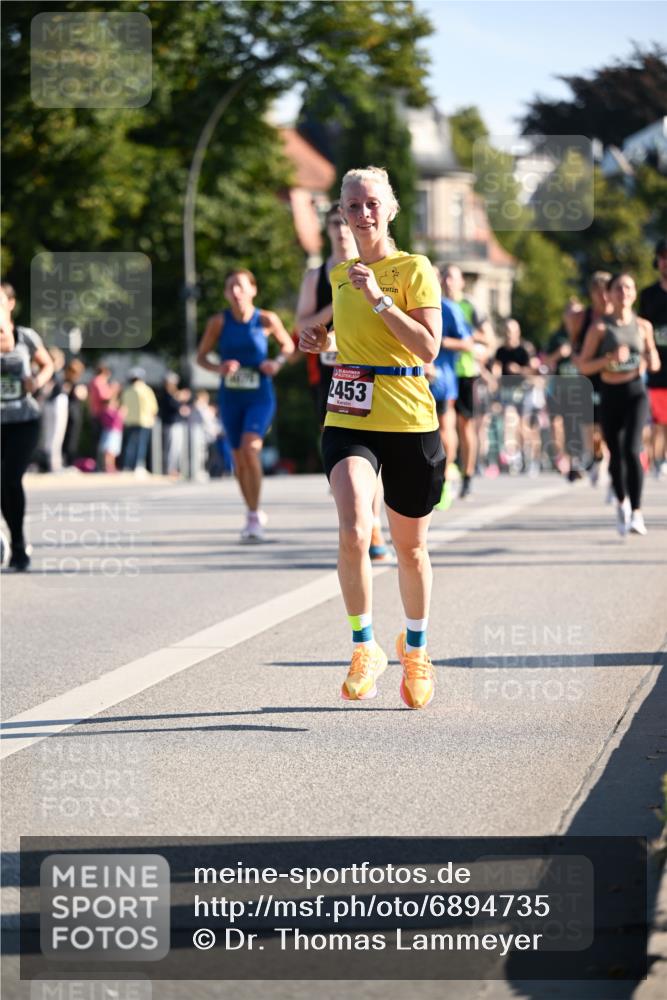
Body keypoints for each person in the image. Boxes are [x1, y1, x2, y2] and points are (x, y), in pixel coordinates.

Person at [299, 166, 444, 710]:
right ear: (341, 211)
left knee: (410, 548)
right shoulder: (341, 275)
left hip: (408, 416)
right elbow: (348, 332)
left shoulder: (414, 269)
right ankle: (364, 646)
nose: (362, 213)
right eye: (352, 205)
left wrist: (382, 299)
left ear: (391, 208)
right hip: (350, 412)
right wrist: (321, 337)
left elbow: (428, 348)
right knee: (356, 526)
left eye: (371, 203)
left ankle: (417, 647)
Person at [295, 202, 391, 560]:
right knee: (342, 456)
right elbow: (299, 325)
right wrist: (337, 306)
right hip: (329, 376)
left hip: (368, 370)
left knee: (372, 450)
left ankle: (373, 524)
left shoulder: (371, 271)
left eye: (343, 222)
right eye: (333, 223)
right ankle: (359, 521)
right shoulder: (317, 277)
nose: (340, 229)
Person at [196, 268, 294, 542]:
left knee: (251, 448)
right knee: (239, 459)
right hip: (231, 396)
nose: (236, 292)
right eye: (230, 288)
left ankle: (253, 514)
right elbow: (201, 357)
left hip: (260, 394)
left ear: (253, 289)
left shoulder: (265, 319)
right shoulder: (219, 322)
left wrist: (276, 363)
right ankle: (252, 512)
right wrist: (219, 367)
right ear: (226, 294)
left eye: (240, 286)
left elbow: (287, 347)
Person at [579, 272, 660, 536]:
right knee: (615, 451)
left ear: (634, 293)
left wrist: (648, 356)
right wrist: (608, 359)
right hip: (610, 393)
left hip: (635, 391)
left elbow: (655, 362)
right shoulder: (600, 328)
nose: (623, 292)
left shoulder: (643, 326)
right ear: (610, 294)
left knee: (632, 448)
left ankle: (637, 512)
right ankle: (622, 502)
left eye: (628, 288)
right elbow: (583, 365)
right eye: (618, 288)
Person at [0, 283, 54, 570]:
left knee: (10, 478)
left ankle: (18, 543)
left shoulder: (25, 337)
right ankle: (11, 539)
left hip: (24, 420)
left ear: (10, 303)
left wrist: (37, 381)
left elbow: (48, 365)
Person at [427, 264, 473, 510]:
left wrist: (441, 341)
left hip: (443, 379)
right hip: (414, 379)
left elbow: (468, 343)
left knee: (445, 428)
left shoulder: (449, 309)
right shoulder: (405, 304)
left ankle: (445, 477)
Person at [638, 238, 667, 478]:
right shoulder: (648, 295)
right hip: (656, 366)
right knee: (658, 419)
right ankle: (658, 459)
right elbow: (638, 329)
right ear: (657, 261)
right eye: (663, 257)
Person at [121, 367, 158, 473]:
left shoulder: (127, 391)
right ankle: (139, 465)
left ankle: (127, 466)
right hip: (144, 421)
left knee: (130, 444)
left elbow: (123, 405)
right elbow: (153, 407)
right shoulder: (146, 390)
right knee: (141, 444)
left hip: (129, 420)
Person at [158, 372, 190, 478]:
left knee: (177, 449)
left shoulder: (173, 394)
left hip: (177, 423)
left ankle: (174, 468)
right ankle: (169, 469)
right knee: (171, 448)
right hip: (171, 424)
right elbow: (175, 406)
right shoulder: (166, 395)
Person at [62, 358, 88, 467]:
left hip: (67, 412)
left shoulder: (66, 383)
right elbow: (82, 395)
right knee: (71, 438)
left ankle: (66, 461)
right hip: (72, 413)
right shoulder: (74, 383)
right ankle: (68, 462)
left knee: (68, 438)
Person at [99, 385, 124, 473]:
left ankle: (112, 466)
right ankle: (107, 467)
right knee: (109, 451)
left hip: (116, 432)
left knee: (113, 452)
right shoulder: (107, 411)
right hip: (110, 433)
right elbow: (114, 420)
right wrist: (120, 413)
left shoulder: (112, 410)